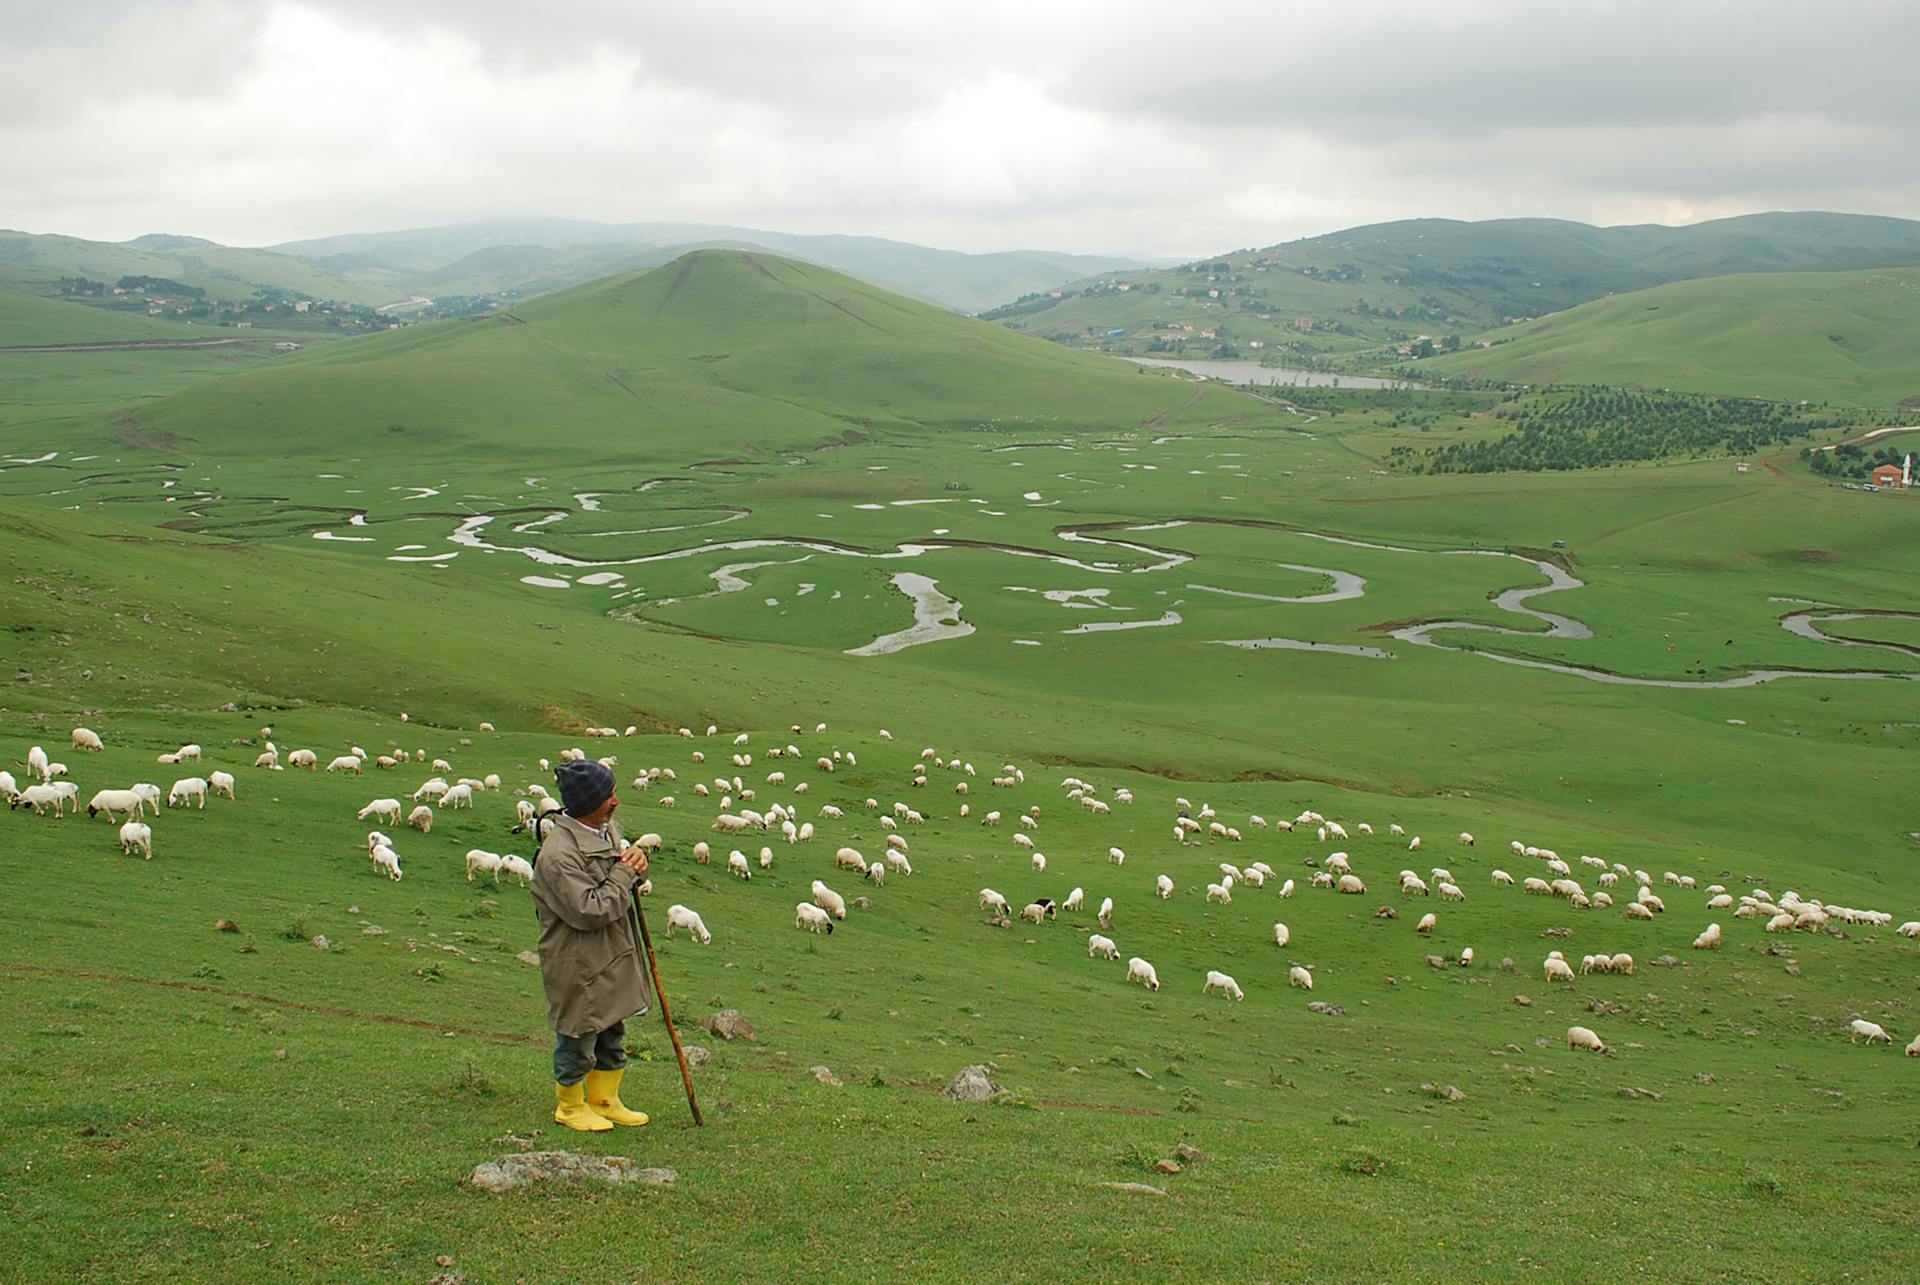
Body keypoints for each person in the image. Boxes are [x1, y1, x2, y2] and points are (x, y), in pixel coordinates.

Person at [530, 759, 655, 1131]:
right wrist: (624, 871)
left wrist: (638, 863)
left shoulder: (606, 830)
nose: (616, 800)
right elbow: (591, 908)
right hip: (577, 958)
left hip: (611, 951)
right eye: (608, 795)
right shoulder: (558, 856)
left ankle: (605, 1099)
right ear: (588, 802)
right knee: (578, 1031)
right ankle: (569, 1105)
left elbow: (623, 873)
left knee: (611, 1026)